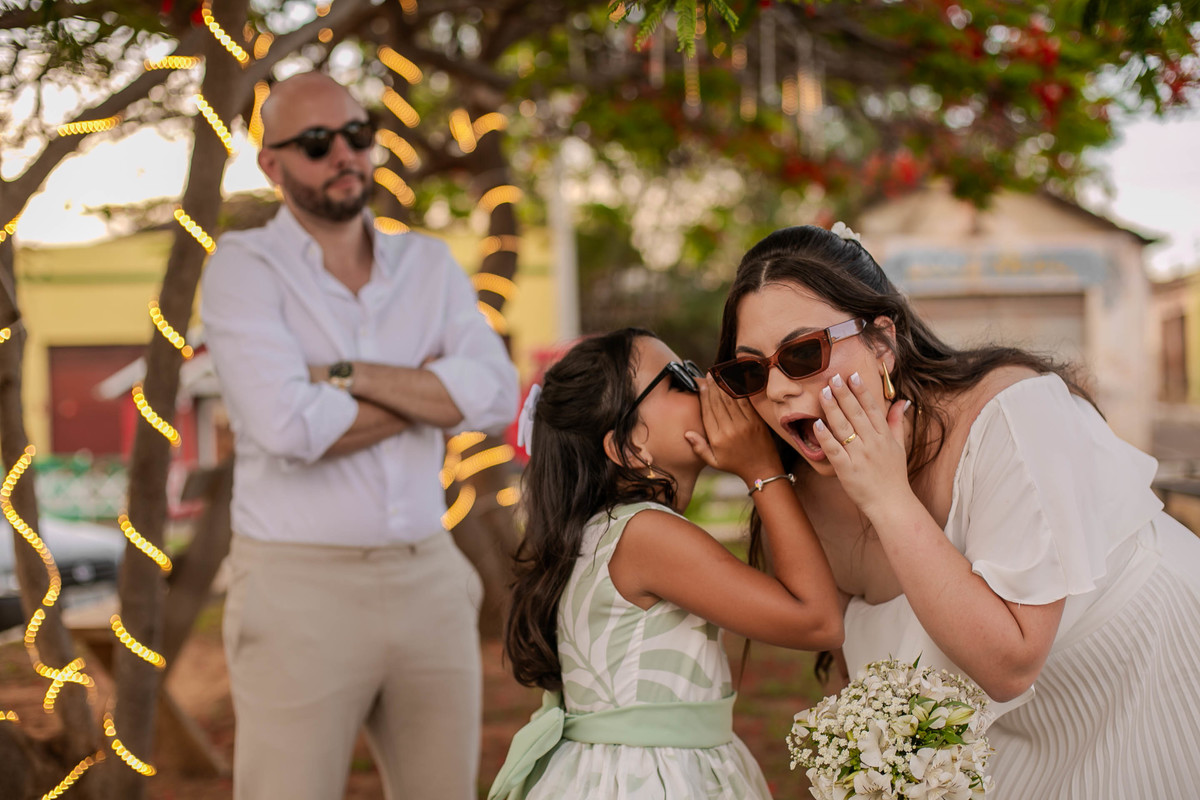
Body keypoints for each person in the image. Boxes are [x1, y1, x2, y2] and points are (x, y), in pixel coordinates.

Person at [710, 223, 1200, 798]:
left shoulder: (1012, 412)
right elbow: (854, 679)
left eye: (802, 354)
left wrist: (886, 495)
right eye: (750, 371)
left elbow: (1009, 664)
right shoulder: (802, 499)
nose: (778, 390)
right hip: (1021, 743)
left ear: (882, 342)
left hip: (1161, 678)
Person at [200, 71, 518, 800]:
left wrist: (343, 374)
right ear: (272, 165)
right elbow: (287, 428)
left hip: (428, 574)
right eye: (317, 142)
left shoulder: (428, 263)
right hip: (297, 587)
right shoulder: (244, 269)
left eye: (356, 133)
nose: (344, 153)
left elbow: (496, 396)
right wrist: (432, 392)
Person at [489, 328, 843, 800]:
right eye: (679, 378)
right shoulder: (644, 535)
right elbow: (817, 620)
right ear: (629, 446)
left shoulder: (610, 530)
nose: (705, 384)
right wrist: (761, 468)